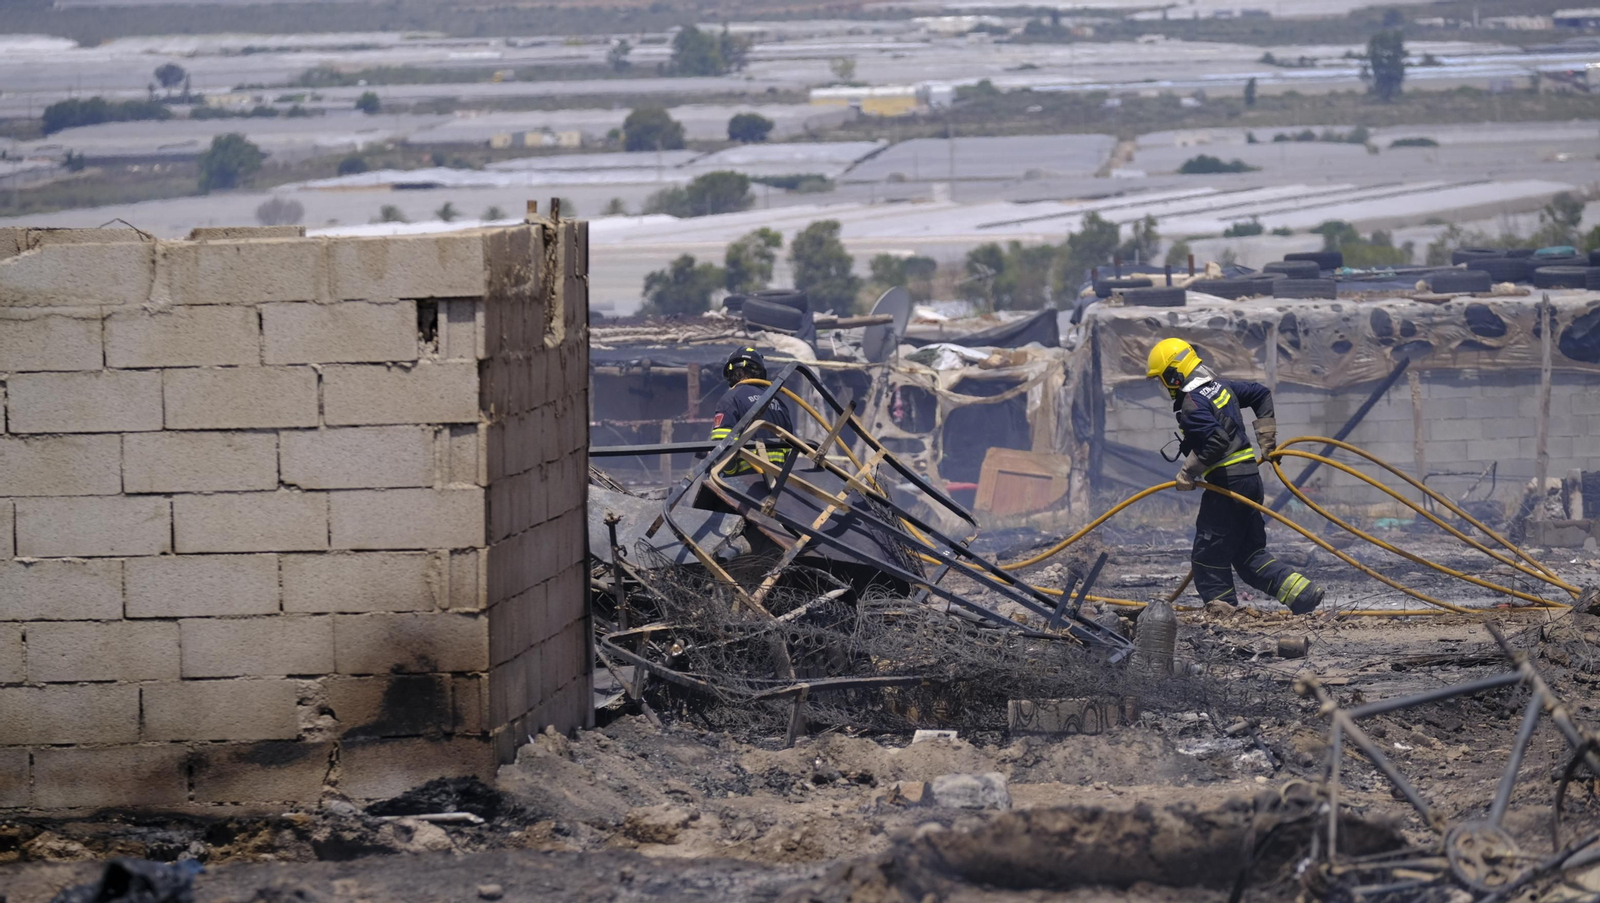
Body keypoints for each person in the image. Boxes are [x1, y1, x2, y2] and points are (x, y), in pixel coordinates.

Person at [1146, 337, 1324, 614]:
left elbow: (1215, 441)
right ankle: (1302, 594)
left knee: (1208, 557)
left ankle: (1226, 616)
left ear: (1174, 375)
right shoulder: (1221, 387)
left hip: (1227, 485)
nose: (1163, 387)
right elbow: (1260, 393)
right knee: (1248, 555)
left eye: (1162, 379)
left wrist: (1188, 472)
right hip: (1250, 481)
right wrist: (1266, 438)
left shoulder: (1191, 404)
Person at [708, 347, 794, 474]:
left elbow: (722, 443)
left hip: (746, 481)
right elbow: (790, 447)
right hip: (779, 481)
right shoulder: (779, 402)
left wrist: (730, 473)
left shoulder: (730, 399)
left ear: (731, 372)